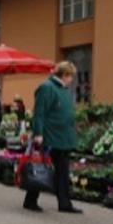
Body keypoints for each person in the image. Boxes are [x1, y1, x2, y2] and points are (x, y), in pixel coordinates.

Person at [25, 61, 82, 214]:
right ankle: (31, 200)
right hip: (51, 136)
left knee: (62, 171)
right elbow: (39, 113)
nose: (72, 80)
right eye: (71, 76)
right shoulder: (46, 88)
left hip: (63, 137)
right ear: (64, 75)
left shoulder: (63, 90)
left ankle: (64, 203)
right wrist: (38, 134)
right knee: (40, 168)